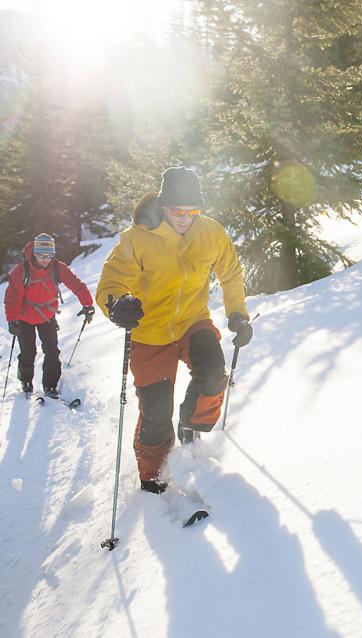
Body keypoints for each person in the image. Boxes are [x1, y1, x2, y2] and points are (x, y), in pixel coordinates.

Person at [96, 166, 252, 494]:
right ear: (164, 207)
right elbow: (111, 282)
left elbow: (230, 273)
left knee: (212, 373)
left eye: (193, 212)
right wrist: (117, 305)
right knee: (155, 411)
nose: (185, 218)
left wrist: (238, 313)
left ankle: (191, 426)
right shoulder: (137, 238)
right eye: (178, 212)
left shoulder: (211, 232)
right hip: (148, 333)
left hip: (192, 321)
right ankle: (153, 476)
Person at [4, 233, 95, 397]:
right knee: (28, 351)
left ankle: (50, 385)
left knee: (52, 350)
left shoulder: (57, 268)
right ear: (35, 254)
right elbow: (12, 298)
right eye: (42, 255)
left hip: (47, 315)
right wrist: (13, 320)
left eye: (50, 256)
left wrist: (87, 304)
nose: (46, 259)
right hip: (24, 318)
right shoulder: (21, 271)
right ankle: (25, 379)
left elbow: (76, 285)